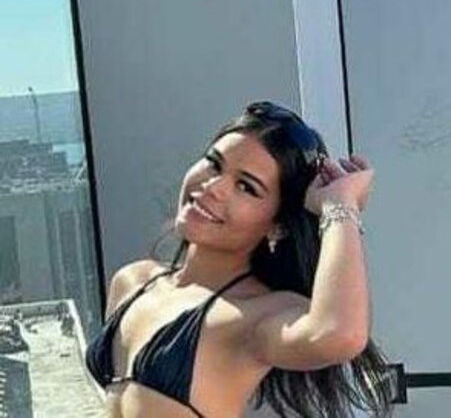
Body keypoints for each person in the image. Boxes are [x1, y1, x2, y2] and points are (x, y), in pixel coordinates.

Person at [86, 101, 394, 417]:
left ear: (278, 225)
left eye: (246, 186)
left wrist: (340, 204)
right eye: (214, 164)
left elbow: (341, 335)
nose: (214, 187)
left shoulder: (254, 314)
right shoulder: (132, 281)